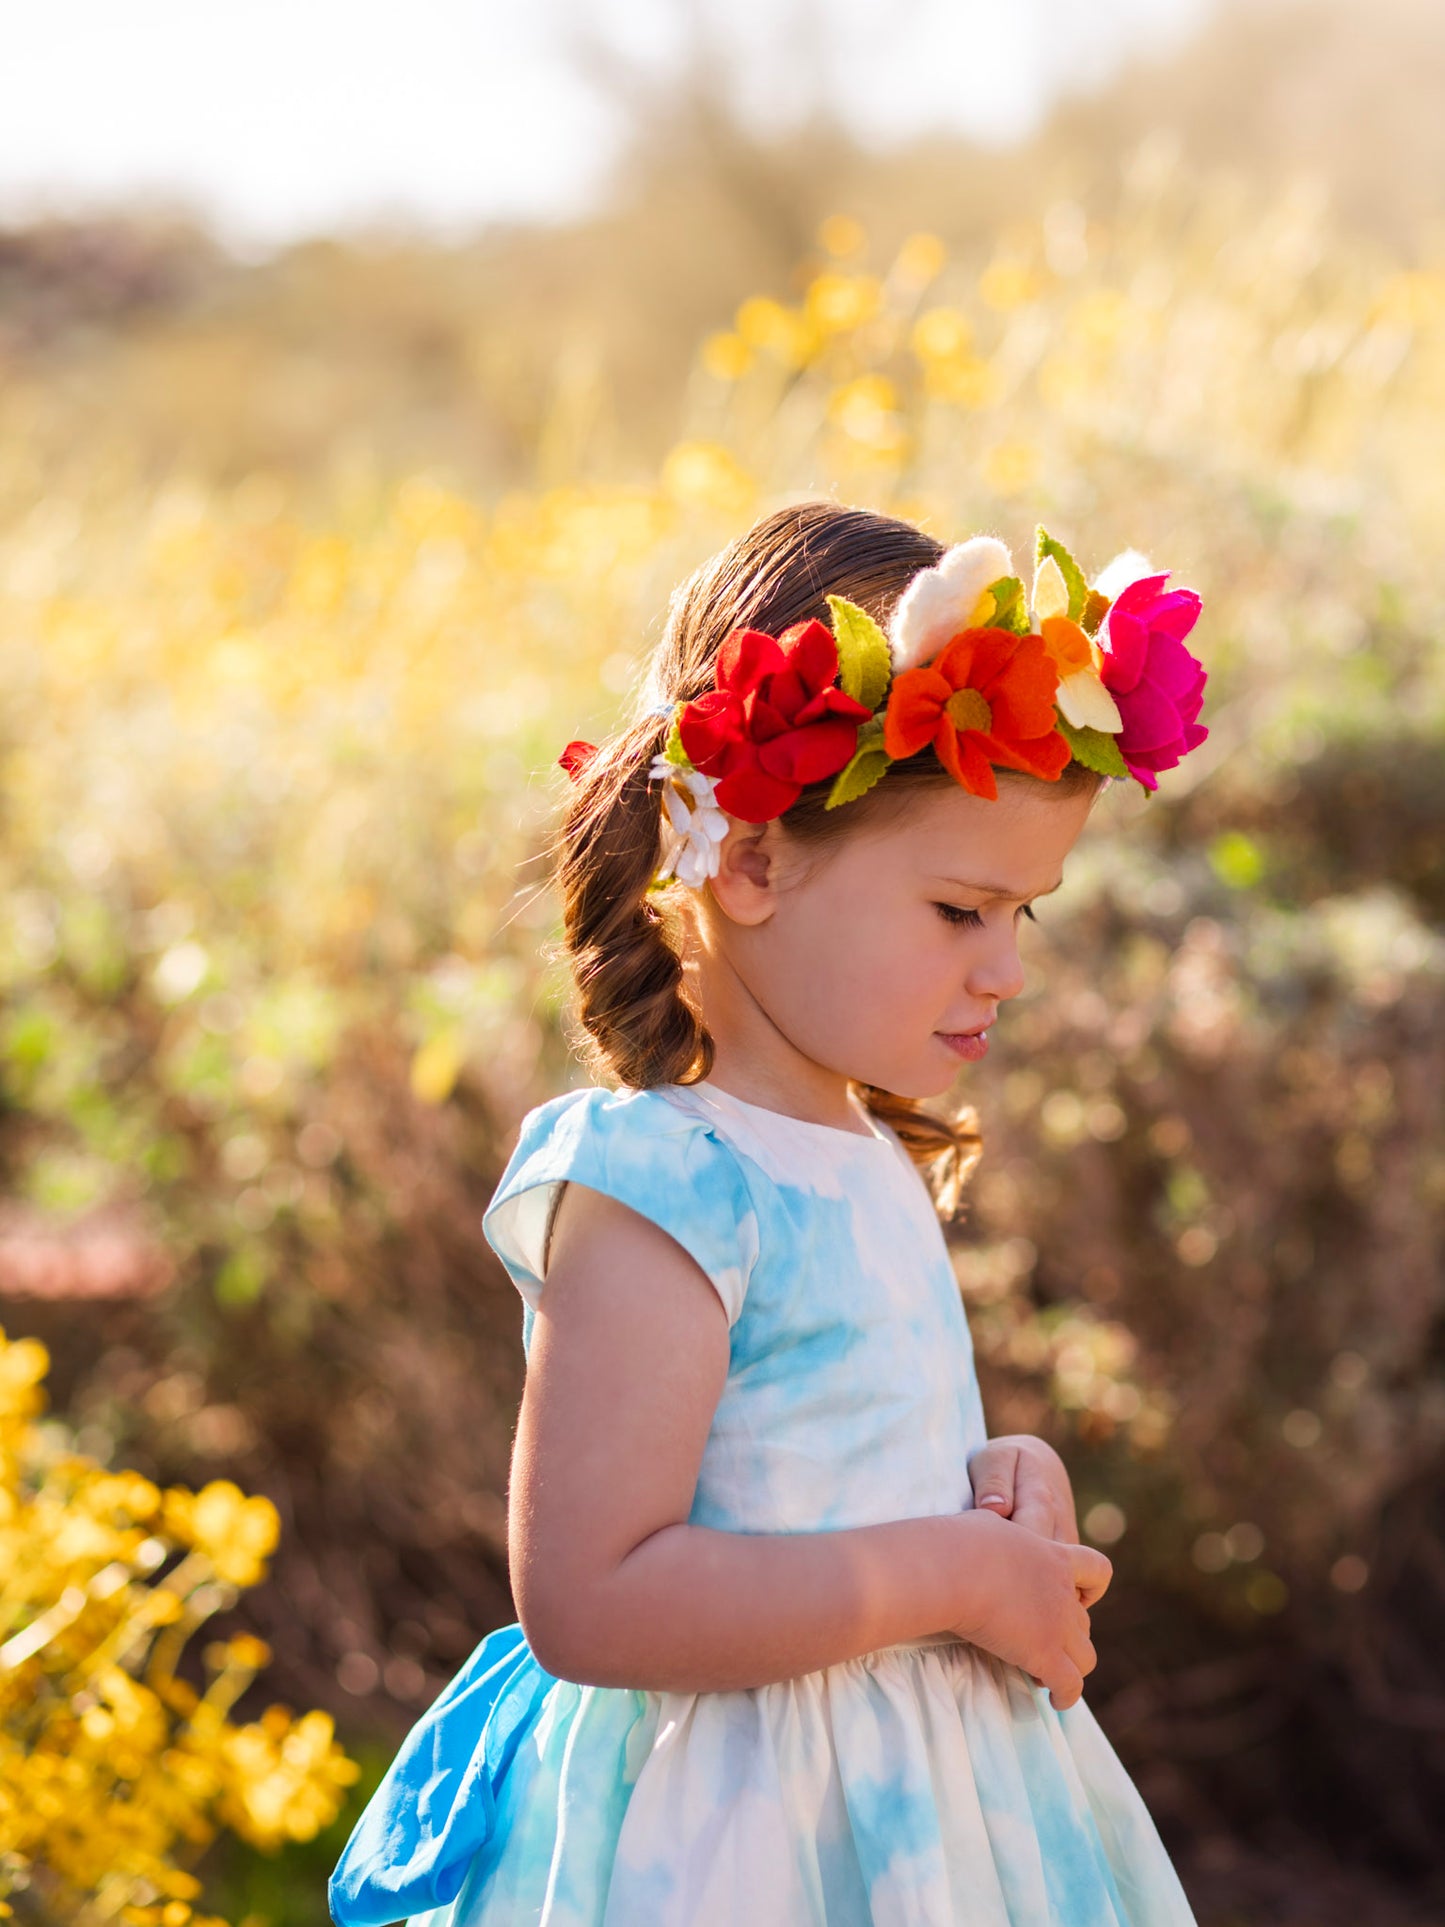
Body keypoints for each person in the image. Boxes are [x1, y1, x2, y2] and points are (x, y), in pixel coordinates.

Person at [329, 500, 1209, 1926]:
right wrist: (945, 1573)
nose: (1005, 969)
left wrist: (994, 1489)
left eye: (1023, 915)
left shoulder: (863, 1148)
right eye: (958, 910)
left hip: (935, 1825)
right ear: (748, 863)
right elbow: (594, 1600)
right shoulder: (665, 1185)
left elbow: (824, 1461)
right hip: (746, 1842)